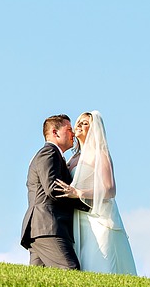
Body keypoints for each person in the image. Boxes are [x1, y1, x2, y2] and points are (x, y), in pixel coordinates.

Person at [54, 111, 137, 275]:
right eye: (78, 122)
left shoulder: (100, 154)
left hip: (98, 217)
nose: (79, 125)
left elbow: (109, 189)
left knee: (100, 259)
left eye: (85, 123)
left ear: (94, 129)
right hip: (79, 218)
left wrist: (78, 192)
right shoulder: (72, 159)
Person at [20, 115, 89, 269]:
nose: (73, 134)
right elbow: (53, 189)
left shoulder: (54, 155)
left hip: (42, 227)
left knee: (39, 281)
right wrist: (86, 204)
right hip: (49, 226)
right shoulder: (49, 153)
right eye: (69, 129)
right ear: (55, 132)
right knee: (70, 269)